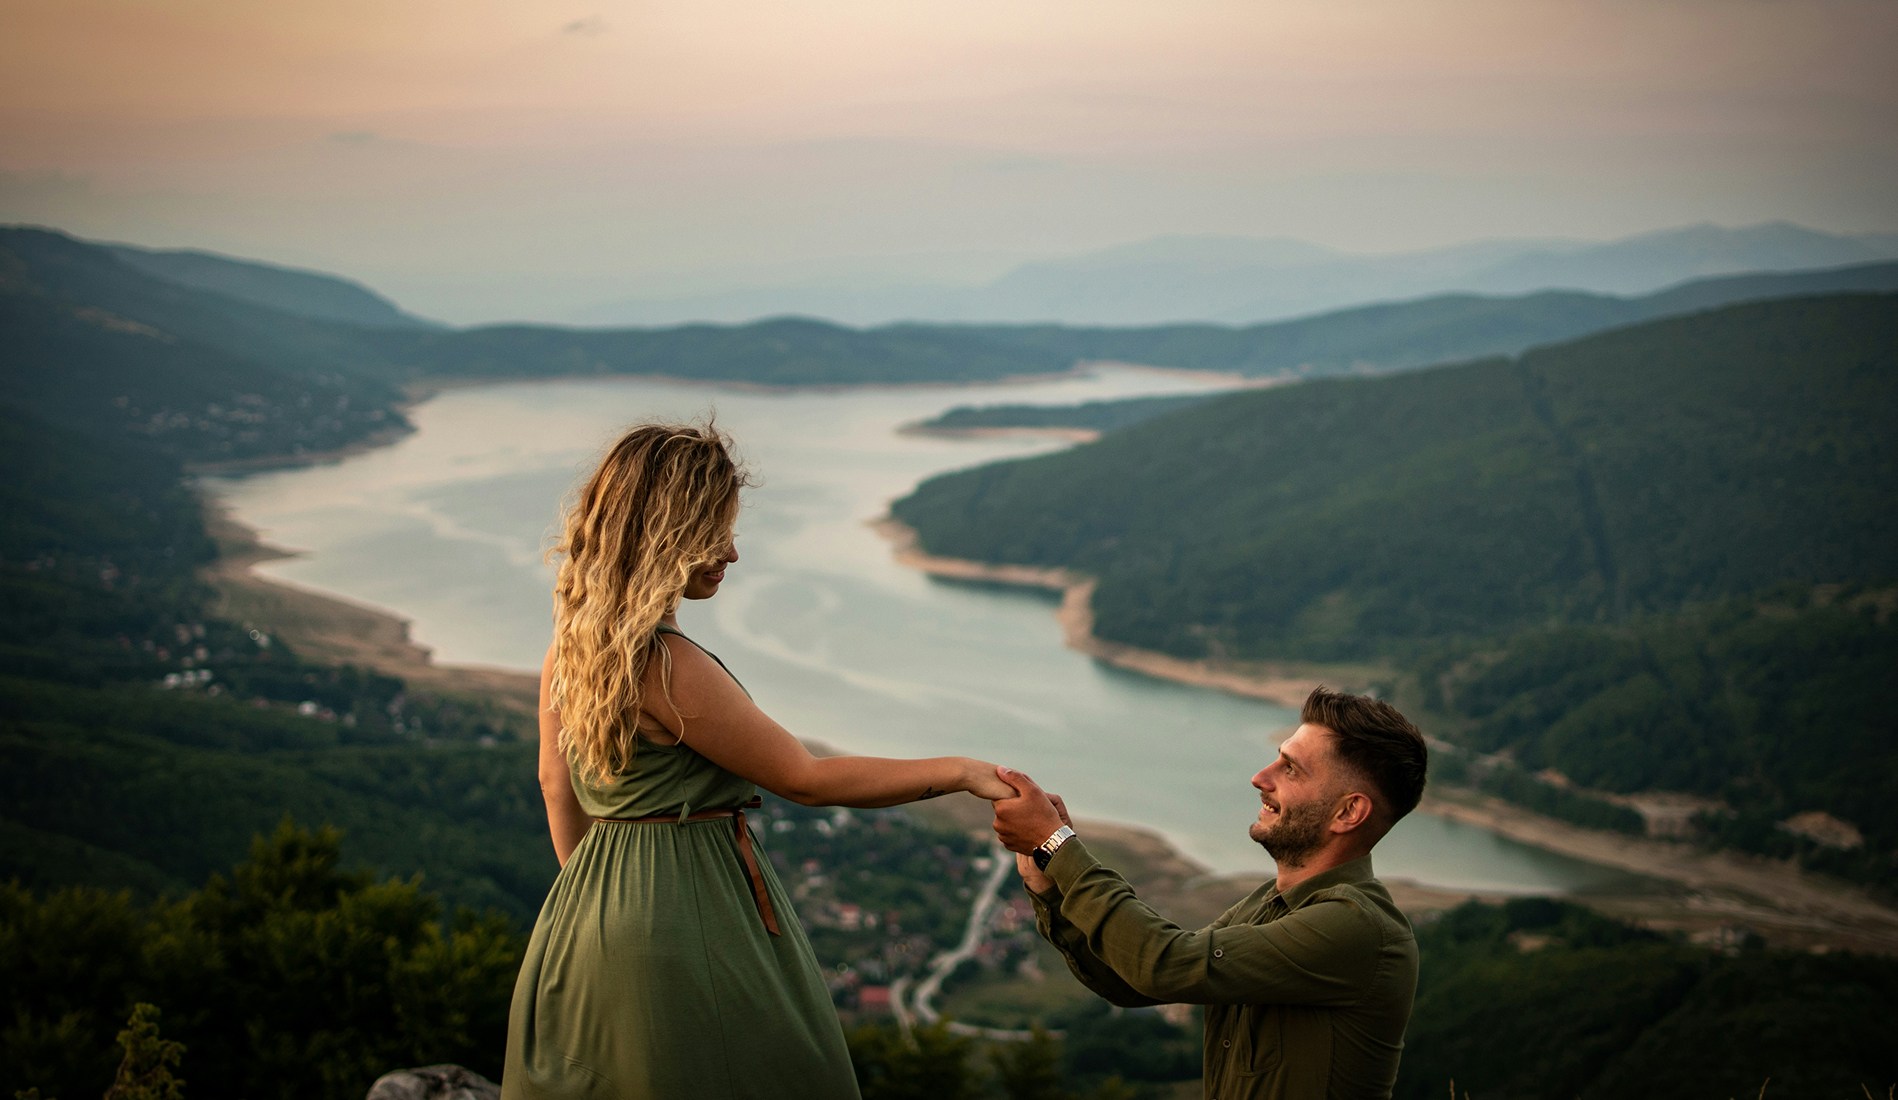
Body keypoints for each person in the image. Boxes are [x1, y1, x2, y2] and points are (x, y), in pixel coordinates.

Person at [503, 422, 1014, 1100]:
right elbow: (804, 779)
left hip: (583, 918)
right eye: (715, 532)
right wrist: (961, 772)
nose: (733, 554)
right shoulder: (667, 664)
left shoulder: (570, 650)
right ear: (667, 534)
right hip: (685, 920)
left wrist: (604, 902)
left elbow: (553, 786)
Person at [991, 687, 1429, 1100]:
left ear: (1349, 812)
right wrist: (1050, 885)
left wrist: (1058, 844)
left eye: (1291, 768)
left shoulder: (1358, 928)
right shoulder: (1267, 904)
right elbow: (1137, 982)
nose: (1260, 777)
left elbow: (1165, 964)